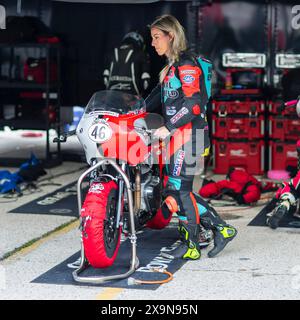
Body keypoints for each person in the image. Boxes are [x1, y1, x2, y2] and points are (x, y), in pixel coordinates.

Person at [146, 14, 237, 260]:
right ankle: (221, 229)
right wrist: (135, 112)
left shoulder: (186, 65)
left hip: (191, 136)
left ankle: (194, 245)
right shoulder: (170, 67)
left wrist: (169, 126)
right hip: (181, 137)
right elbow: (157, 96)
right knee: (175, 190)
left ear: (171, 36)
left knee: (179, 191)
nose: (153, 43)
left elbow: (194, 104)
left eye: (157, 37)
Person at [103, 31, 151, 97]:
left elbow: (104, 76)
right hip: (132, 96)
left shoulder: (111, 52)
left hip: (111, 95)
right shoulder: (141, 54)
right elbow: (145, 79)